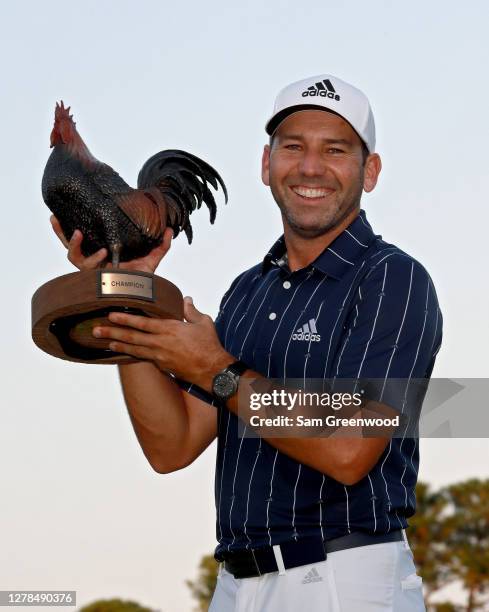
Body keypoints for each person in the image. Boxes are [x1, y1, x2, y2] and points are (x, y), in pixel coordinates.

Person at [51, 74, 442, 611]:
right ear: (266, 163)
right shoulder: (247, 293)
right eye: (293, 147)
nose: (310, 167)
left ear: (369, 171)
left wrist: (217, 369)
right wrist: (131, 293)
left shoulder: (393, 280)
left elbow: (351, 448)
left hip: (344, 579)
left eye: (335, 150)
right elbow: (172, 445)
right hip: (237, 585)